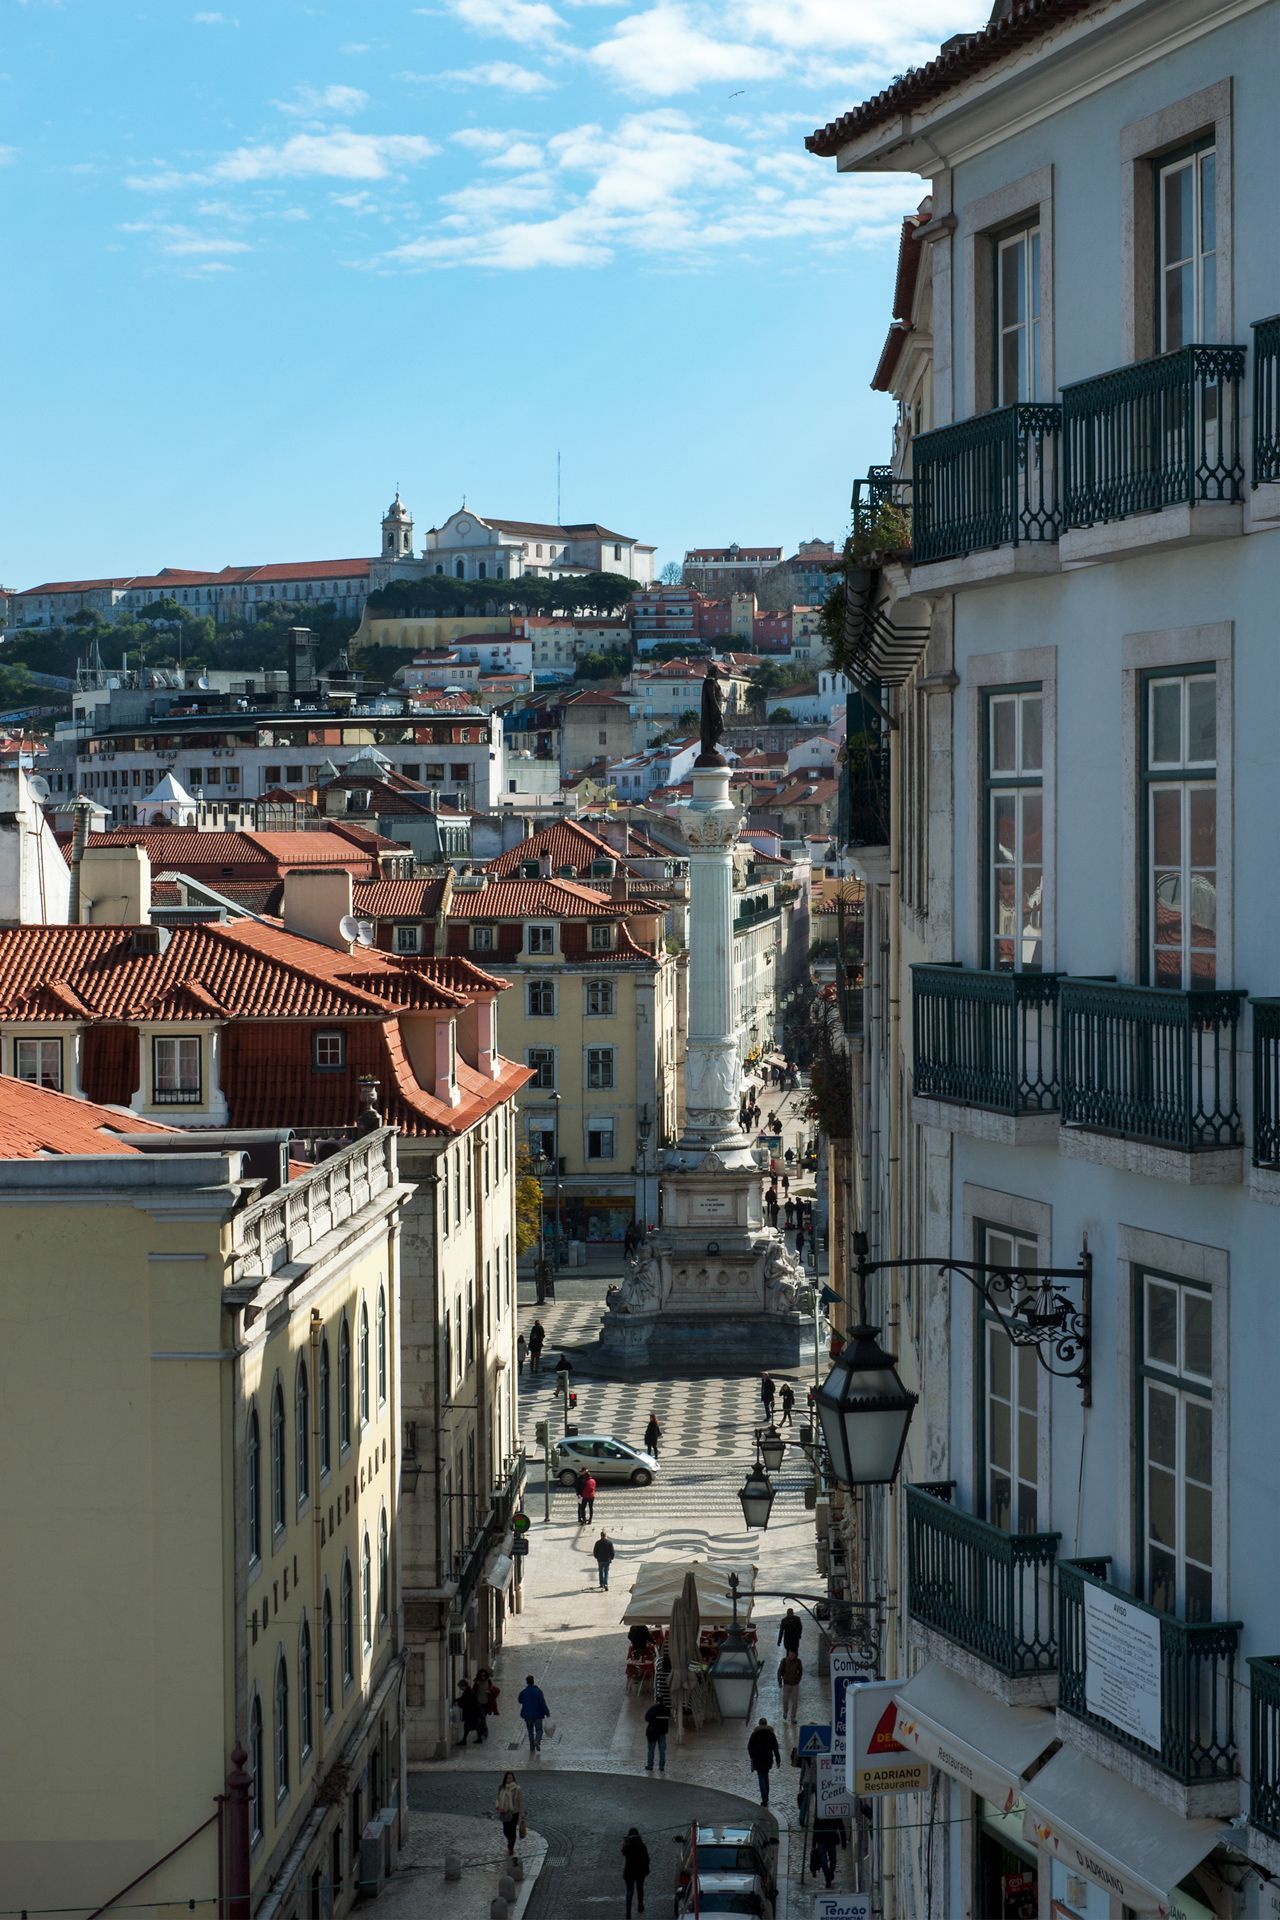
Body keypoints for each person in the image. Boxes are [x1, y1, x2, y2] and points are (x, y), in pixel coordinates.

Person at [747, 1716, 782, 1806]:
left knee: (761, 1777)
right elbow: (775, 1748)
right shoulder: (771, 1734)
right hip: (768, 1759)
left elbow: (750, 1747)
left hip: (758, 1760)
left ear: (759, 1724)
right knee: (766, 1777)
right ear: (766, 1724)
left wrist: (752, 1756)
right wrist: (778, 1760)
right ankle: (766, 1796)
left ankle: (765, 1799)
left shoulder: (755, 1734)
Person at [810, 1813, 847, 1888]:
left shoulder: (832, 1811)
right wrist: (814, 1843)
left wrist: (844, 1841)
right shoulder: (824, 1811)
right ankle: (828, 1877)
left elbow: (841, 1827)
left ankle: (829, 1876)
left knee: (832, 1860)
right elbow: (815, 1828)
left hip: (829, 1840)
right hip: (823, 1840)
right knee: (826, 1861)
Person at [621, 1828, 651, 1918]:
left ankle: (628, 1911)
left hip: (630, 1872)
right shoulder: (642, 1846)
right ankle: (640, 1906)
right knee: (640, 1889)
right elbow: (647, 1859)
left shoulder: (628, 1846)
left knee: (629, 1892)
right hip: (640, 1872)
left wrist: (626, 1843)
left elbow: (623, 1852)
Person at [518, 1674, 550, 1753]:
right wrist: (547, 1712)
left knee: (530, 1731)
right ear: (533, 1681)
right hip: (538, 1715)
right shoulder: (538, 1691)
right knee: (539, 1730)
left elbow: (520, 1700)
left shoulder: (524, 1692)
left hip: (528, 1715)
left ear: (527, 1682)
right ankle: (537, 1741)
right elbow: (542, 1703)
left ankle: (532, 1747)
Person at [494, 1771, 524, 1856]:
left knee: (512, 1830)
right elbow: (497, 1798)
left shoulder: (517, 1788)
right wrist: (498, 1806)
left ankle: (510, 1847)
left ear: (513, 1778)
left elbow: (520, 1802)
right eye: (508, 1778)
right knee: (505, 1831)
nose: (509, 1779)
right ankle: (510, 1842)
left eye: (511, 1777)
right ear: (505, 1778)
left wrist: (522, 1815)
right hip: (504, 1812)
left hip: (514, 1813)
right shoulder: (501, 1788)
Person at [457, 1676, 487, 1745]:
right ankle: (477, 1739)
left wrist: (459, 1703)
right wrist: (457, 1700)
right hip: (475, 1713)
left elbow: (467, 1703)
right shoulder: (468, 1691)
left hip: (473, 1713)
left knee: (469, 1726)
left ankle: (465, 1740)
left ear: (463, 1686)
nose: (460, 1689)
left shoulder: (469, 1693)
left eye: (460, 1687)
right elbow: (463, 1699)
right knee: (476, 1726)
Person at [643, 1698, 670, 1773]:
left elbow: (647, 1717)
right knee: (662, 1750)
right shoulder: (666, 1709)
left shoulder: (653, 1708)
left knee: (651, 1749)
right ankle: (661, 1766)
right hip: (662, 1732)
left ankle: (650, 1765)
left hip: (653, 1732)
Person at [778, 1648, 803, 1724]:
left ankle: (793, 1716)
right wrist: (780, 1681)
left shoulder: (798, 1662)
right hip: (786, 1683)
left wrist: (798, 1679)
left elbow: (801, 1672)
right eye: (790, 1654)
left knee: (795, 1702)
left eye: (792, 1654)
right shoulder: (784, 1661)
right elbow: (779, 1671)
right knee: (785, 1700)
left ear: (795, 1655)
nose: (791, 1656)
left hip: (795, 1684)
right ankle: (785, 1712)